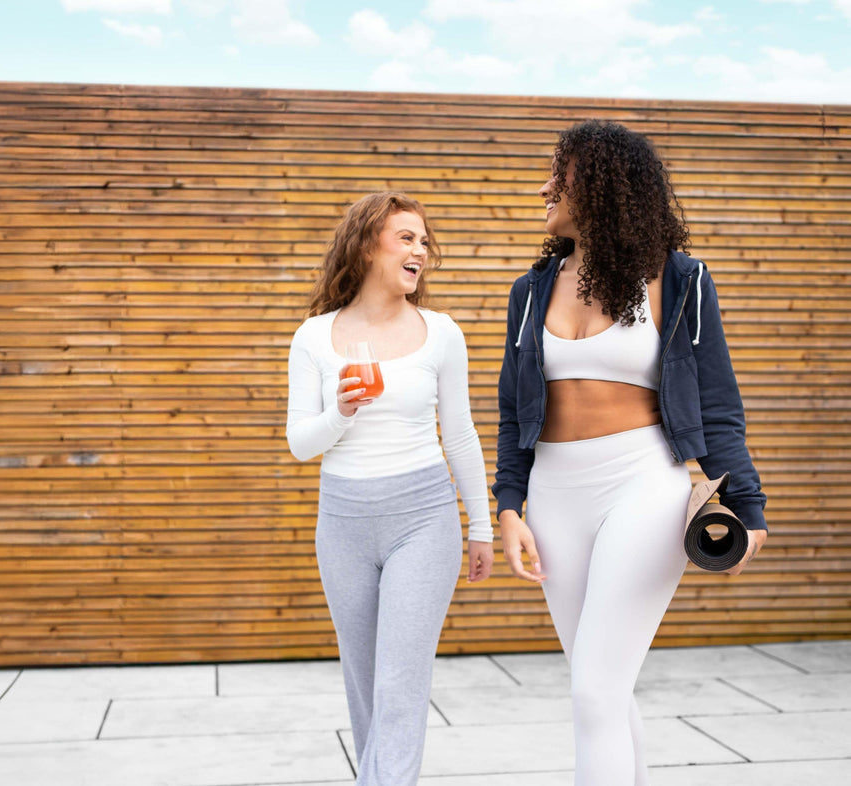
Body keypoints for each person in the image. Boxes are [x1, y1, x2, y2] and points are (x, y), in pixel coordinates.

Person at [492, 120, 768, 786]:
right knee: (605, 689)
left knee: (593, 692)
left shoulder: (678, 280)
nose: (543, 188)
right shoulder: (531, 291)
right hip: (556, 497)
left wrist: (749, 511)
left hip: (643, 485)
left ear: (603, 182)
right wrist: (509, 505)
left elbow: (718, 403)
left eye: (559, 173)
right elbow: (512, 408)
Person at [287, 192, 494, 784]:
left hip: (423, 518)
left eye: (424, 241)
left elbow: (460, 434)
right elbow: (301, 442)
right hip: (344, 522)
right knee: (366, 684)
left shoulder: (442, 333)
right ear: (367, 244)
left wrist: (479, 526)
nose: (420, 250)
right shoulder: (314, 337)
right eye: (406, 238)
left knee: (401, 684)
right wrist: (341, 414)